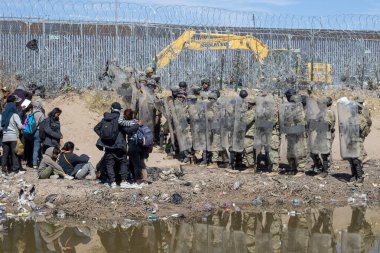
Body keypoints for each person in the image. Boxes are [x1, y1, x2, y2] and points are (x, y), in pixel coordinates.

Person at [94, 102, 138, 188]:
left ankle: (112, 182)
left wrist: (104, 137)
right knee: (123, 162)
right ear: (119, 110)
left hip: (108, 145)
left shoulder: (105, 119)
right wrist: (137, 126)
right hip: (120, 145)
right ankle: (123, 181)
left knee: (109, 163)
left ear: (111, 109)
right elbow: (127, 131)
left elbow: (96, 128)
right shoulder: (120, 119)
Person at [1, 95, 24, 176]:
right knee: (14, 154)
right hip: (13, 137)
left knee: (5, 154)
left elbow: (1, 127)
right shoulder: (15, 115)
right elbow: (20, 126)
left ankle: (4, 169)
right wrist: (25, 125)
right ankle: (16, 170)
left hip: (5, 137)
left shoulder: (3, 114)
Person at [31, 99, 45, 169]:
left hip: (31, 132)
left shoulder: (31, 112)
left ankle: (40, 161)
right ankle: (35, 164)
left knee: (38, 148)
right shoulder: (41, 114)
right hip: (38, 132)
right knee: (36, 148)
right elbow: (43, 124)